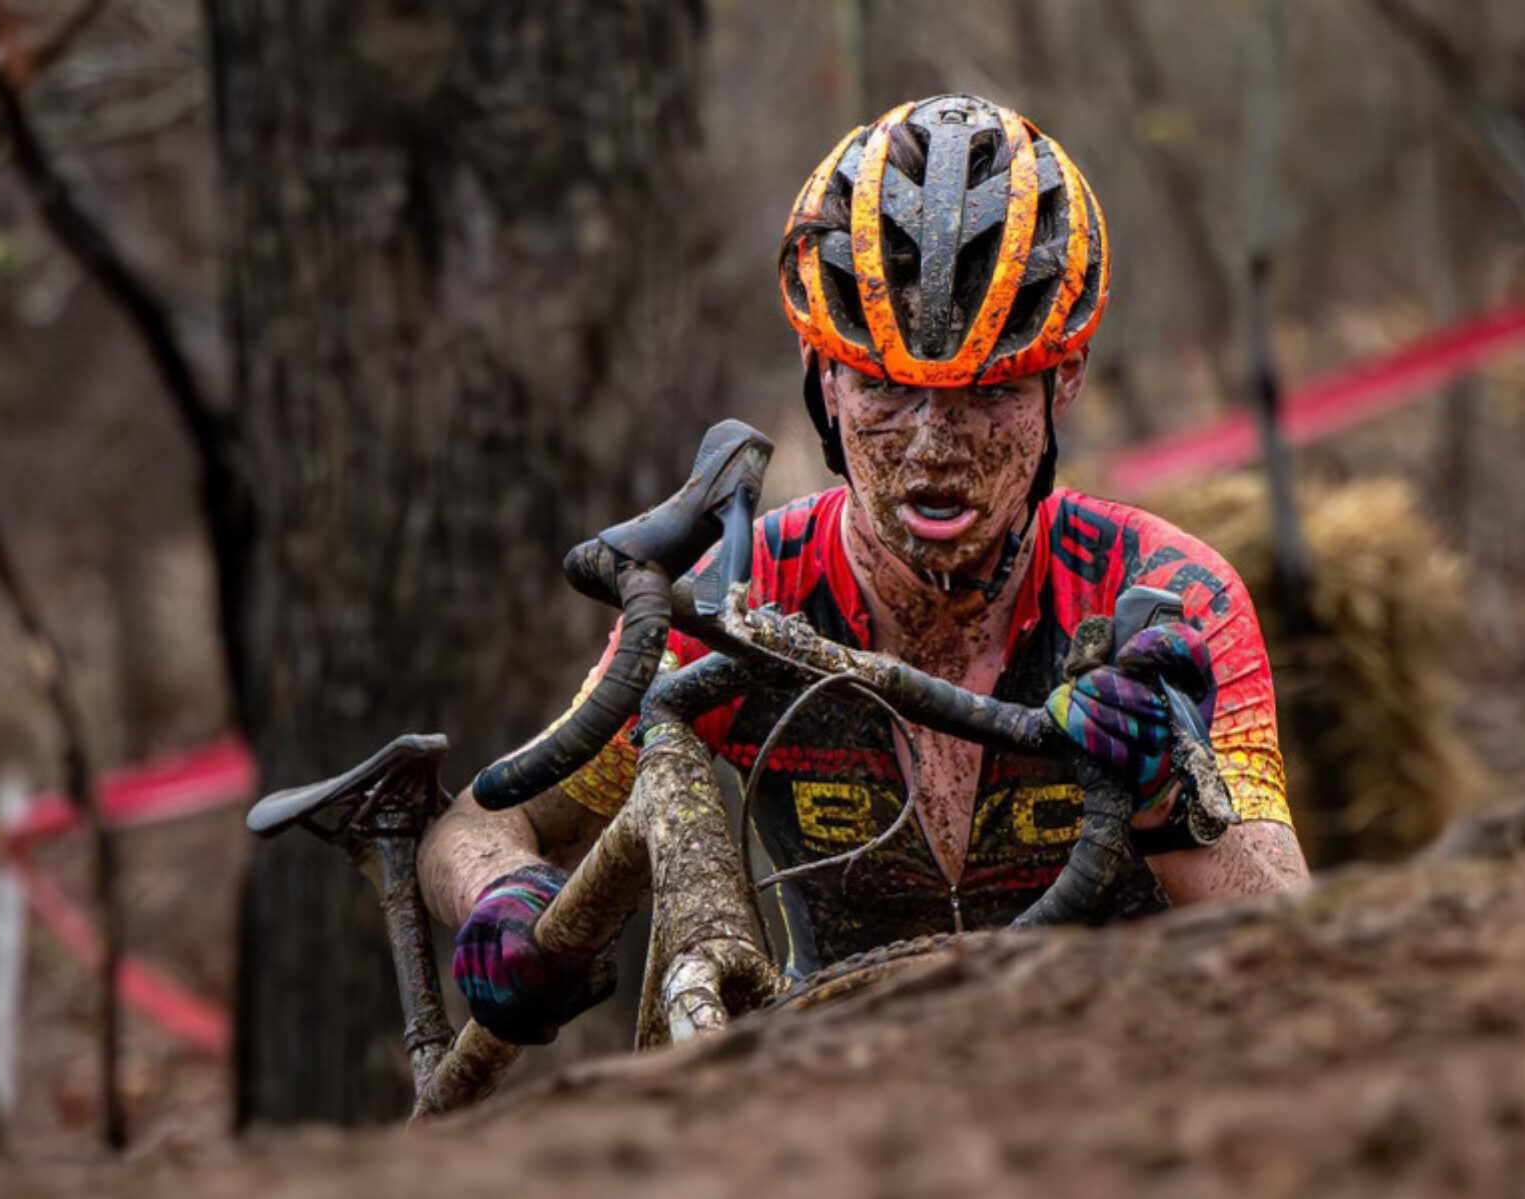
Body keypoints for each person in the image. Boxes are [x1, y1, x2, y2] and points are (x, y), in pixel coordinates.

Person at [420, 94, 1310, 1045]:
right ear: (825, 377)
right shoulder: (746, 593)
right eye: (886, 388)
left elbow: (1294, 941)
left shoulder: (1168, 593)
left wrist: (1167, 797)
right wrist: (501, 897)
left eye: (989, 392)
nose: (934, 447)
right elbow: (472, 824)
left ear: (1068, 377)